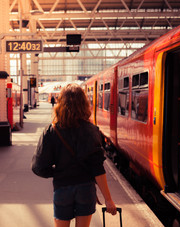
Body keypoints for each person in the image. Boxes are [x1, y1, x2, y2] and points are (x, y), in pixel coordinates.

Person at [32, 83, 117, 227]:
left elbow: (38, 167)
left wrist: (59, 172)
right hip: (86, 189)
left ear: (60, 103)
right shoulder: (92, 131)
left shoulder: (51, 131)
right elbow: (98, 168)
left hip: (62, 188)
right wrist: (108, 199)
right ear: (84, 104)